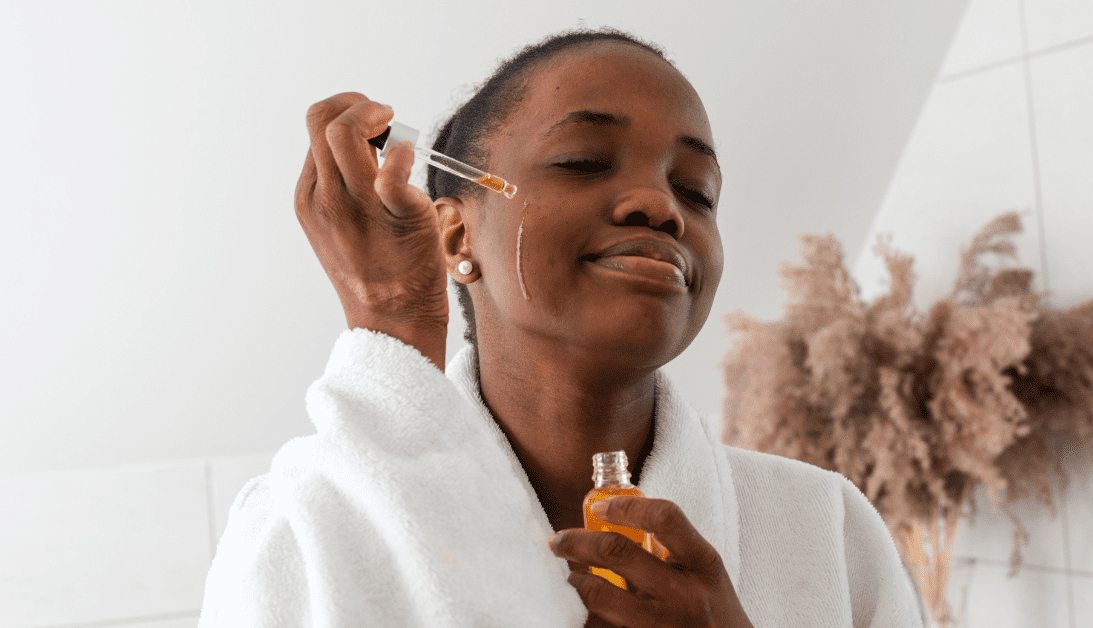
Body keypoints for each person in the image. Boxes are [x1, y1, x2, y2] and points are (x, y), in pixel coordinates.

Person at [199, 29, 924, 627]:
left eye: (696, 191)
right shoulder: (298, 533)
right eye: (582, 161)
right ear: (455, 239)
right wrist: (393, 317)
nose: (660, 205)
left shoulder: (826, 530)